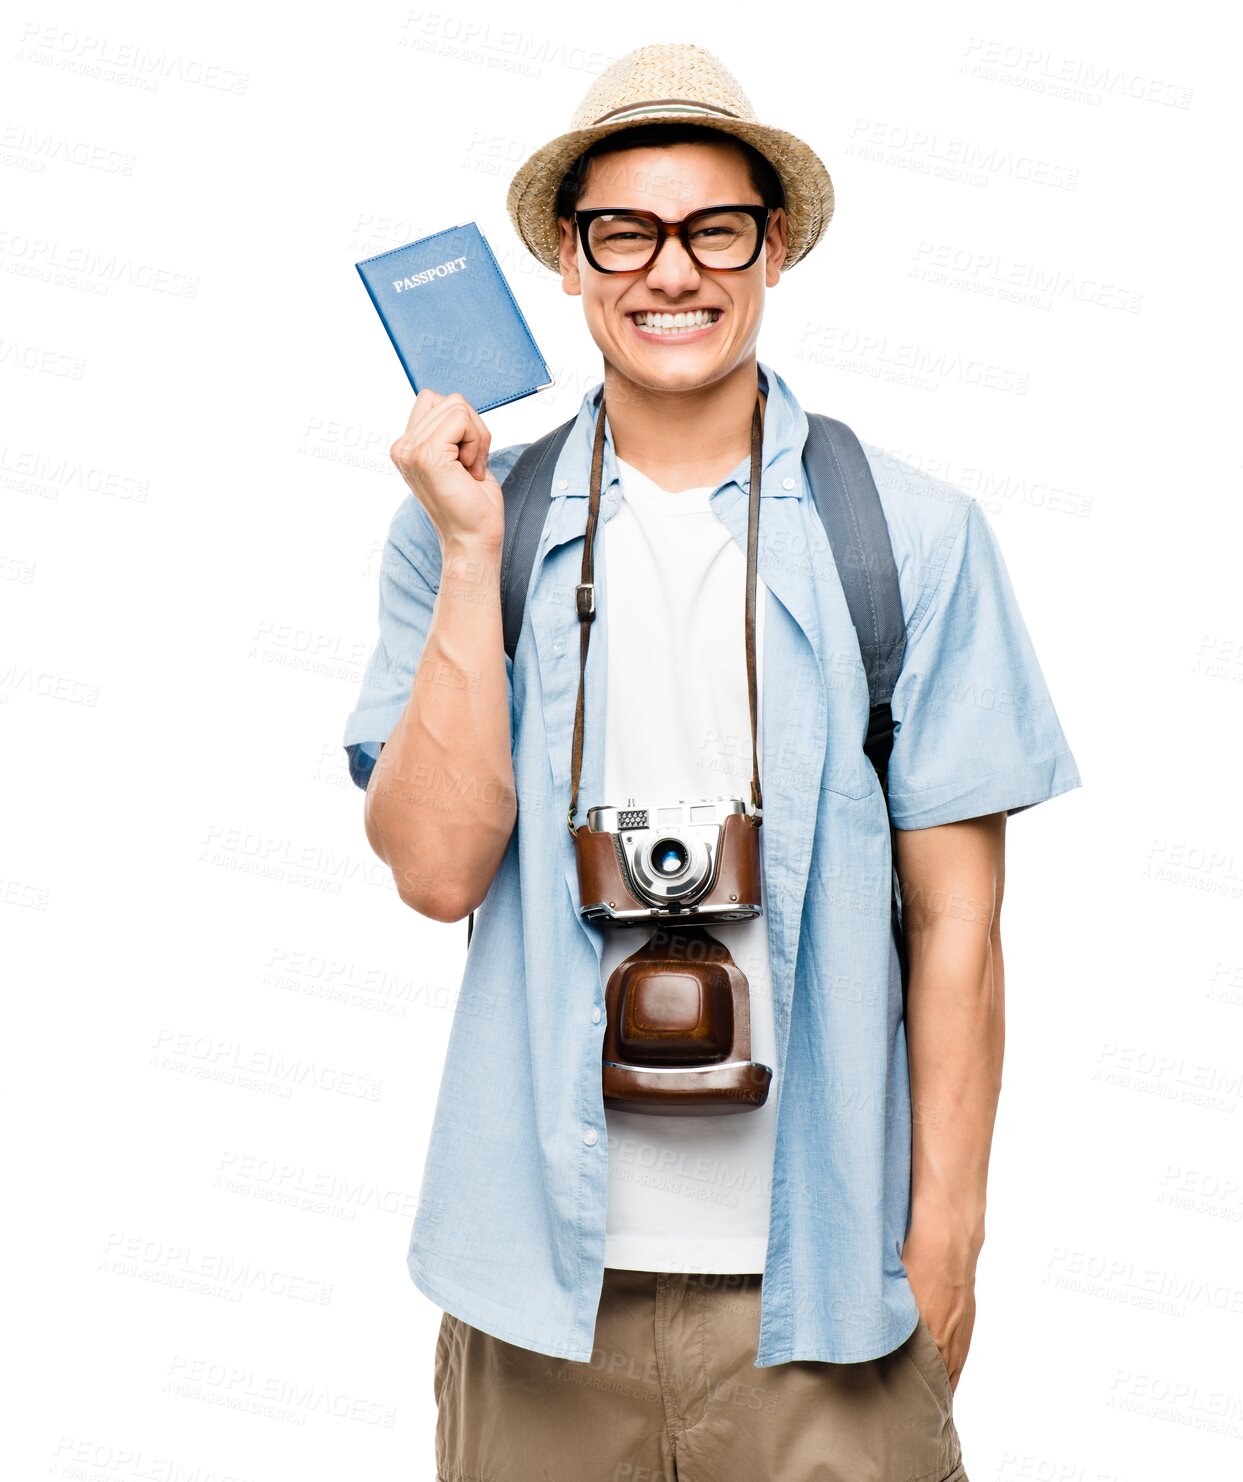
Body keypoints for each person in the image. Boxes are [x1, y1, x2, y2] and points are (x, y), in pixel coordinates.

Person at [343, 41, 1081, 1482]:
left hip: (829, 1292)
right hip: (534, 1293)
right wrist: (473, 547)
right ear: (569, 259)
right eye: (624, 230)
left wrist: (947, 1238)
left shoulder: (909, 537)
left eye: (713, 229)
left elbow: (962, 930)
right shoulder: (461, 538)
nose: (668, 272)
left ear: (774, 247)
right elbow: (436, 870)